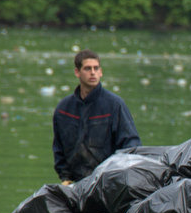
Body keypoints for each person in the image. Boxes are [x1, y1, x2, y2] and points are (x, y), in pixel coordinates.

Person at [52, 49, 141, 184]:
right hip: (74, 183)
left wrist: (117, 178)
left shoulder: (114, 105)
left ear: (101, 72)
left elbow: (132, 146)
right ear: (77, 72)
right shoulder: (64, 109)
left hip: (108, 184)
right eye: (87, 68)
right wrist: (66, 178)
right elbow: (59, 149)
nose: (93, 72)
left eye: (96, 68)